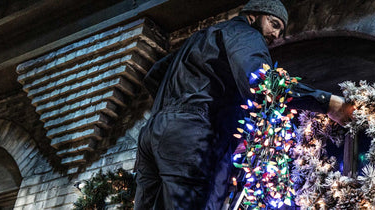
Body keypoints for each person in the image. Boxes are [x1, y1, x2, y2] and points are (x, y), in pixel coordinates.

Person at [134, 0, 354, 209]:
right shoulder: (245, 34)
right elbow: (263, 83)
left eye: (280, 30)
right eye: (274, 24)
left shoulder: (199, 39)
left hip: (152, 135)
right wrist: (327, 103)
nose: (276, 35)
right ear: (253, 15)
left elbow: (154, 75)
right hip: (192, 135)